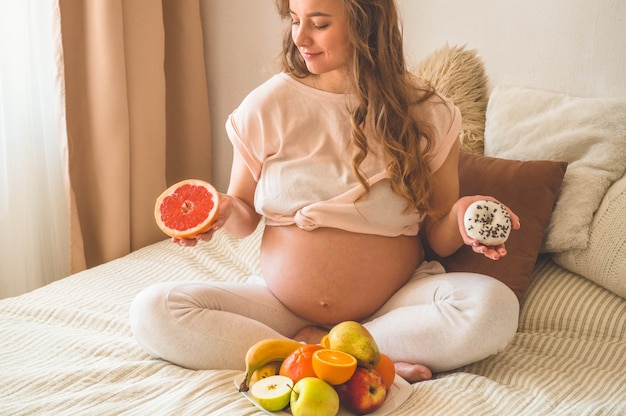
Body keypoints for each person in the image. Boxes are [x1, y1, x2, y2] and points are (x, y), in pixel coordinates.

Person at [130, 0, 520, 383]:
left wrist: (461, 216)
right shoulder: (269, 105)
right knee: (155, 310)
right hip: (282, 306)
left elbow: (439, 235)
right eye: (295, 20)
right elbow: (245, 217)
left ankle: (317, 356)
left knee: (494, 308)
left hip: (392, 306)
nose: (300, 37)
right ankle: (351, 359)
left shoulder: (429, 112)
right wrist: (226, 208)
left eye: (318, 24)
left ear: (365, 25)